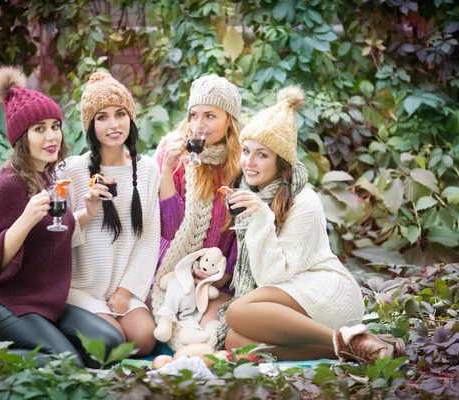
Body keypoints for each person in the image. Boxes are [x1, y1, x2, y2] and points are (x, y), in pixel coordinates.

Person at [216, 85, 406, 364]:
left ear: (281, 161)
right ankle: (359, 346)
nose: (249, 162)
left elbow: (272, 276)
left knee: (236, 313)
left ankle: (343, 337)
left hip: (327, 291)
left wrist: (261, 217)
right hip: (293, 294)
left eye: (262, 154)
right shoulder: (253, 195)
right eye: (246, 151)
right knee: (235, 341)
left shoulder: (304, 200)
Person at [0, 67, 124, 368]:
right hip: (1, 302)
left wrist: (86, 214)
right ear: (21, 137)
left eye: (55, 126)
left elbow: (49, 233)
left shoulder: (47, 175)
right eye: (39, 129)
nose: (51, 136)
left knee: (109, 346)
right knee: (67, 364)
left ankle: (42, 349)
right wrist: (24, 219)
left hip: (42, 299)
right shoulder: (9, 184)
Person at [60, 72, 160, 357]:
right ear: (90, 126)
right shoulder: (72, 171)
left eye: (120, 114)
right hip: (82, 287)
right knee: (112, 342)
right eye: (102, 117)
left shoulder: (147, 169)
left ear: (131, 117)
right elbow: (57, 236)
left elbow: (148, 238)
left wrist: (126, 291)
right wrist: (86, 213)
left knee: (143, 340)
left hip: (121, 286)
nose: (114, 125)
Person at [150, 75, 243, 350]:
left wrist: (225, 274)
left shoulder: (241, 163)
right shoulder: (175, 154)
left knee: (211, 333)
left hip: (217, 276)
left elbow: (243, 231)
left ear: (229, 120)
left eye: (210, 116)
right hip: (174, 272)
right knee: (174, 323)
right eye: (194, 115)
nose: (199, 125)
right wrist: (167, 169)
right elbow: (169, 230)